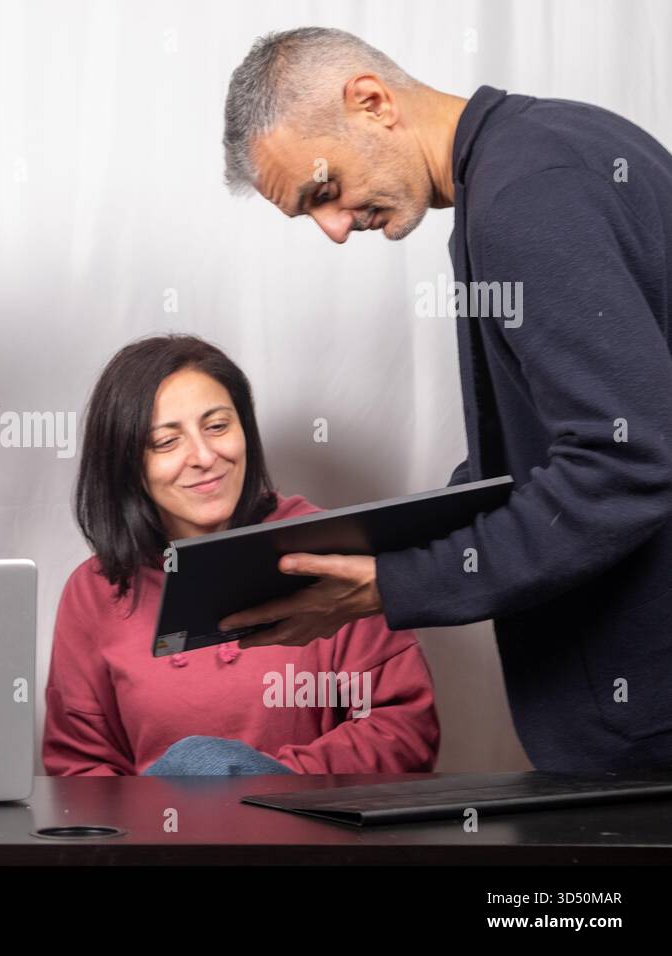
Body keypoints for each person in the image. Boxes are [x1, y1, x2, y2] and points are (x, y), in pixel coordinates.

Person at [217, 27, 672, 771]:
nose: (333, 229)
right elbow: (545, 456)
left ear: (371, 102)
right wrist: (377, 546)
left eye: (323, 192)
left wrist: (391, 587)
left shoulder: (526, 199)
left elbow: (626, 464)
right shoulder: (552, 151)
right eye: (311, 216)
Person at [43, 334, 439, 776]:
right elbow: (79, 771)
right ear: (125, 462)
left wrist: (255, 780)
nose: (205, 456)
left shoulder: (333, 552)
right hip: (164, 843)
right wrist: (167, 810)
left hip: (317, 838)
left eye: (217, 426)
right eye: (166, 442)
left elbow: (404, 731)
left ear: (244, 429)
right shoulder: (95, 591)